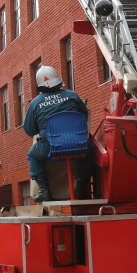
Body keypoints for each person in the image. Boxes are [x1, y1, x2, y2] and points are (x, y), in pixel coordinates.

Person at [24, 65, 94, 202]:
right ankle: (81, 189)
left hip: (50, 147)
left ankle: (44, 191)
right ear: (58, 80)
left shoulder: (35, 103)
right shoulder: (72, 95)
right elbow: (83, 117)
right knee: (90, 151)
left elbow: (30, 131)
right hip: (77, 144)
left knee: (32, 155)